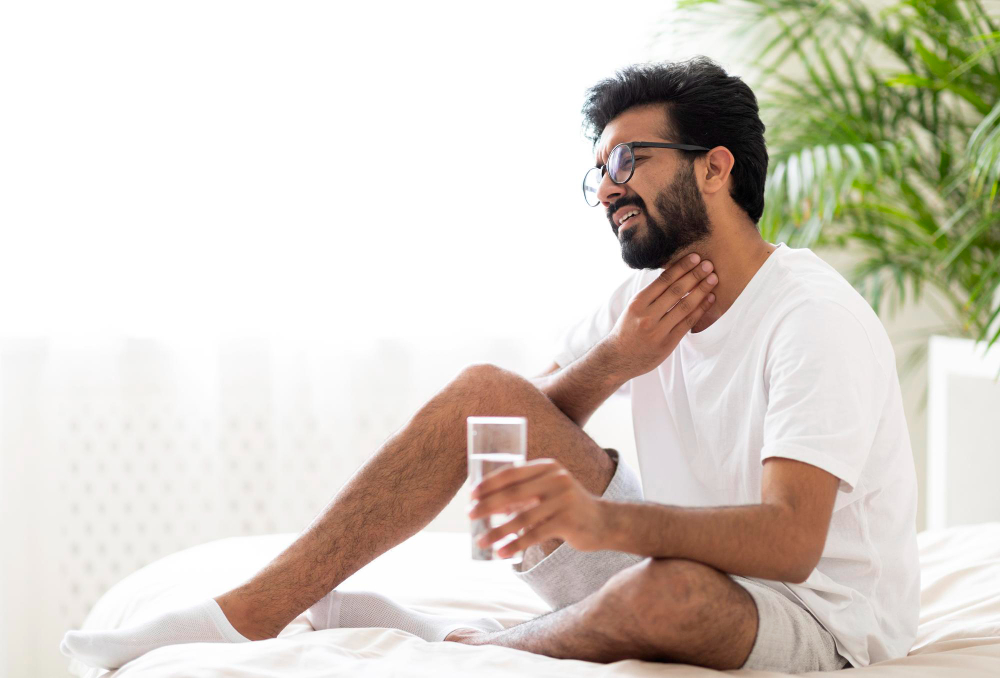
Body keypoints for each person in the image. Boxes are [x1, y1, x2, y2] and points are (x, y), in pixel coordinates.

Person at [61, 56, 919, 674]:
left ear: (717, 168)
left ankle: (469, 645)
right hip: (673, 558)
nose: (607, 188)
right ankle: (249, 611)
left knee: (670, 597)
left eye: (628, 160)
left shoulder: (811, 317)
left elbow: (790, 542)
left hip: (811, 616)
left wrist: (606, 522)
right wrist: (615, 361)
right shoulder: (640, 303)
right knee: (482, 391)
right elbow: (499, 423)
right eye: (597, 174)